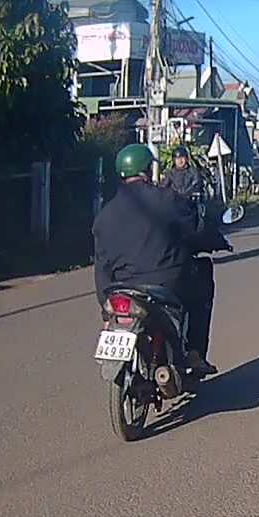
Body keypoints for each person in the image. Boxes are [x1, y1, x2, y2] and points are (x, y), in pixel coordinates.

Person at [92, 143, 220, 376]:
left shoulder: (104, 215)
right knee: (202, 274)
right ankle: (194, 352)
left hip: (119, 288)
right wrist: (215, 241)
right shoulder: (167, 199)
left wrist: (105, 306)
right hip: (165, 284)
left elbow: (101, 265)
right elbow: (195, 228)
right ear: (148, 170)